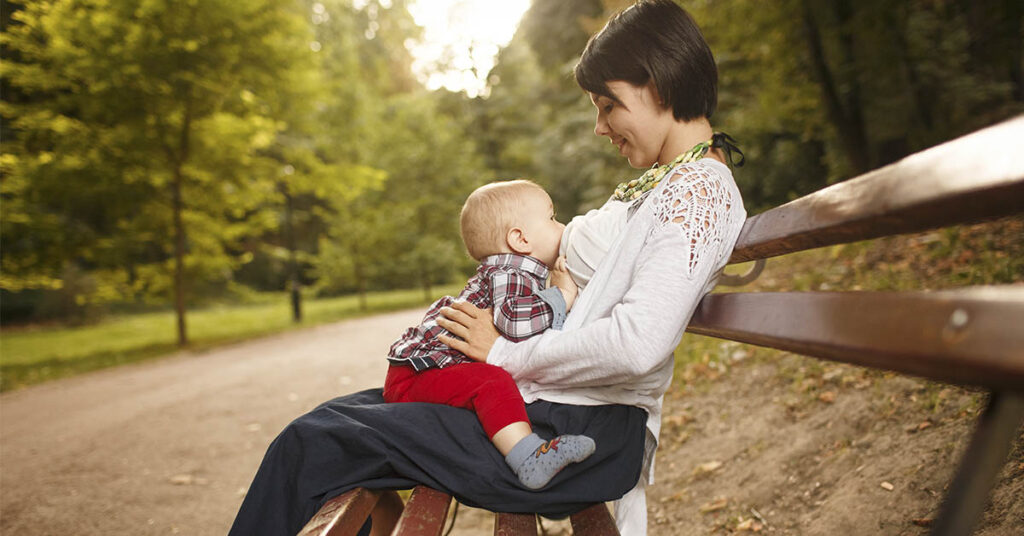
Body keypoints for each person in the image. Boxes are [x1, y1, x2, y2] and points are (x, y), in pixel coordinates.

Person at [228, 2, 746, 534]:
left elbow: (638, 344)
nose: (599, 126)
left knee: (314, 441)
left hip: (577, 431)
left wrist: (503, 352)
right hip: (550, 410)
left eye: (607, 104)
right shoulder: (667, 184)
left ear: (657, 86)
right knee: (332, 427)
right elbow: (574, 248)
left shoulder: (700, 194)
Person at [384, 179, 596, 491]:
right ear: (520, 239)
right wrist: (561, 295)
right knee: (490, 382)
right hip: (416, 377)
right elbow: (513, 320)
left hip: (424, 373)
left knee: (490, 380)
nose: (561, 227)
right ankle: (529, 457)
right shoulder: (510, 274)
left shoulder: (515, 275)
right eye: (552, 218)